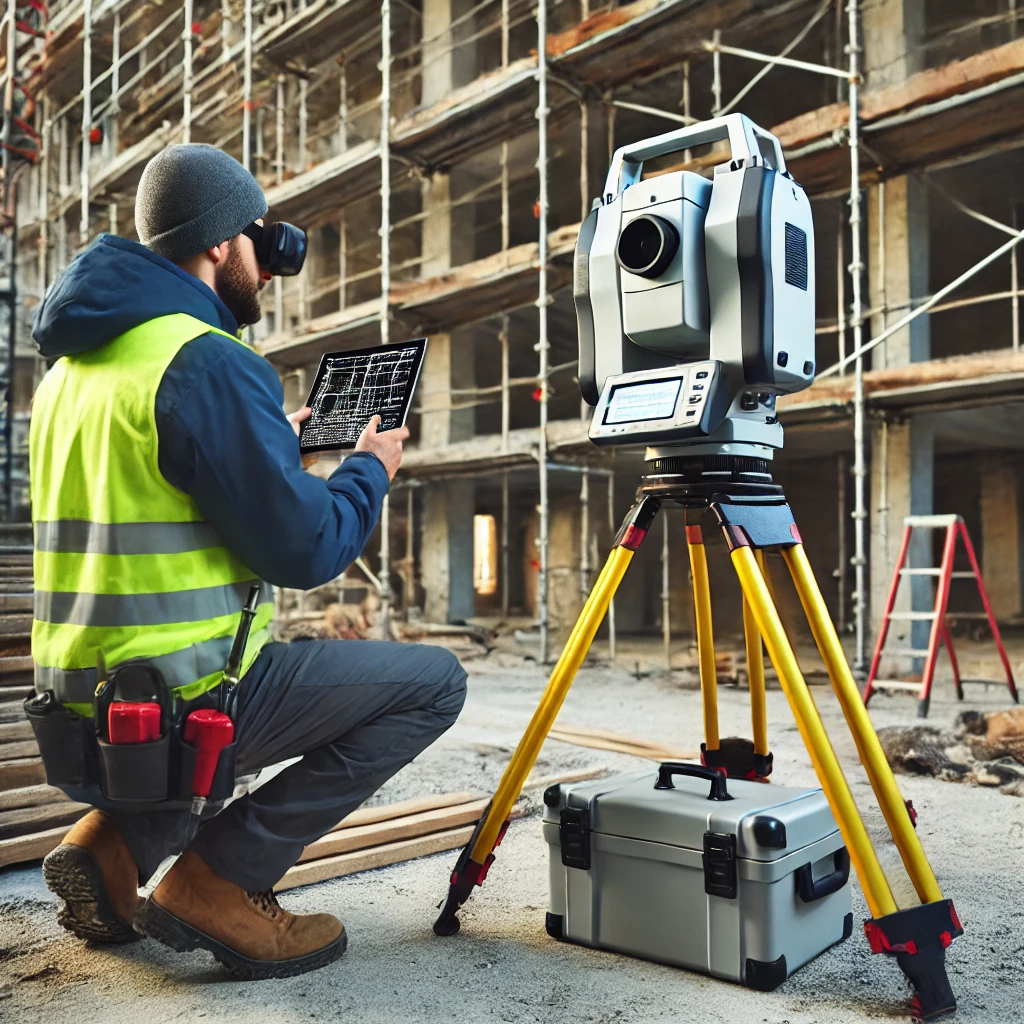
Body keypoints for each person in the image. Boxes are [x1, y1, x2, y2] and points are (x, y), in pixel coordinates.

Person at [29, 144, 467, 979]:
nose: (266, 269)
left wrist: (270, 444)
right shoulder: (206, 359)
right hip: (180, 700)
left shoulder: (74, 368)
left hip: (80, 709)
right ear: (223, 244)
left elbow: (157, 489)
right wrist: (369, 467)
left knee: (241, 693)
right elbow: (308, 550)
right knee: (434, 682)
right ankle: (218, 881)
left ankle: (110, 847)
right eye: (255, 243)